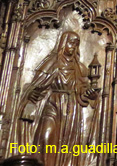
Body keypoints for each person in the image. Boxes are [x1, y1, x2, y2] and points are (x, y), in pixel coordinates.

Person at [18, 31, 99, 166]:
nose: (74, 47)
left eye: (77, 44)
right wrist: (32, 95)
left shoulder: (80, 68)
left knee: (68, 143)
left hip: (71, 108)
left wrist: (89, 94)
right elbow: (37, 84)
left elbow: (83, 88)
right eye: (71, 43)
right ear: (63, 43)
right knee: (45, 136)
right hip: (53, 103)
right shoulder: (52, 62)